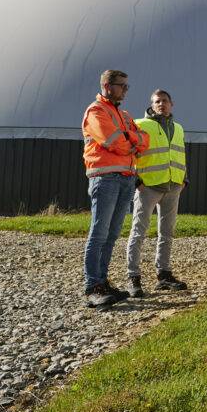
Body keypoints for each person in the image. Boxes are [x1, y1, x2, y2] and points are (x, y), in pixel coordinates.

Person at [82, 69, 149, 308]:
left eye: (127, 86)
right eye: (123, 86)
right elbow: (113, 141)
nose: (126, 90)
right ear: (108, 86)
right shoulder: (96, 111)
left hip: (126, 178)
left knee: (111, 234)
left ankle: (103, 282)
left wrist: (130, 139)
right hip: (106, 178)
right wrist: (131, 141)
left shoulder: (123, 115)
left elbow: (145, 140)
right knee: (99, 233)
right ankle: (92, 287)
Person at [125, 89, 189, 297]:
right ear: (151, 105)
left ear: (172, 104)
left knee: (167, 233)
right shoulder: (140, 125)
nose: (161, 104)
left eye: (165, 101)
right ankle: (133, 277)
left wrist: (183, 178)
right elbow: (129, 152)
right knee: (139, 232)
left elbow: (178, 153)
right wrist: (136, 180)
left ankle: (163, 275)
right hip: (148, 187)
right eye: (157, 101)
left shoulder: (178, 128)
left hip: (173, 186)